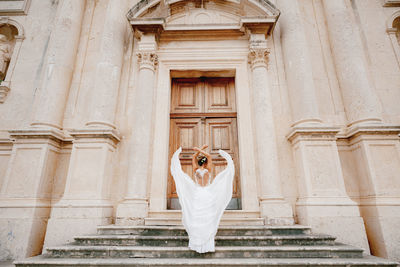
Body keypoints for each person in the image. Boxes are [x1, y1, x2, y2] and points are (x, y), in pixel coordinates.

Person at [170, 145, 235, 253]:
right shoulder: (208, 169)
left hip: (198, 194)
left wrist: (197, 151)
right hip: (207, 194)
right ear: (205, 163)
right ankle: (207, 245)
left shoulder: (195, 169)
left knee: (197, 217)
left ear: (199, 162)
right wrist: (201, 150)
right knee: (207, 217)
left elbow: (193, 158)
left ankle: (197, 244)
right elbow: (209, 156)